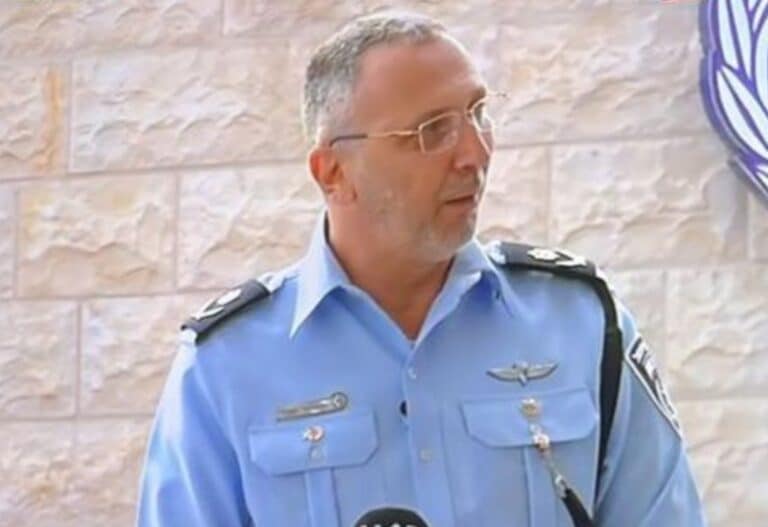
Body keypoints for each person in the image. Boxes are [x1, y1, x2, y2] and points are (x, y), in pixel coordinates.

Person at [137, 11, 707, 527]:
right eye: (431, 131)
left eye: (478, 114)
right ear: (333, 172)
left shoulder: (581, 325)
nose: (475, 153)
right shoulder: (225, 367)